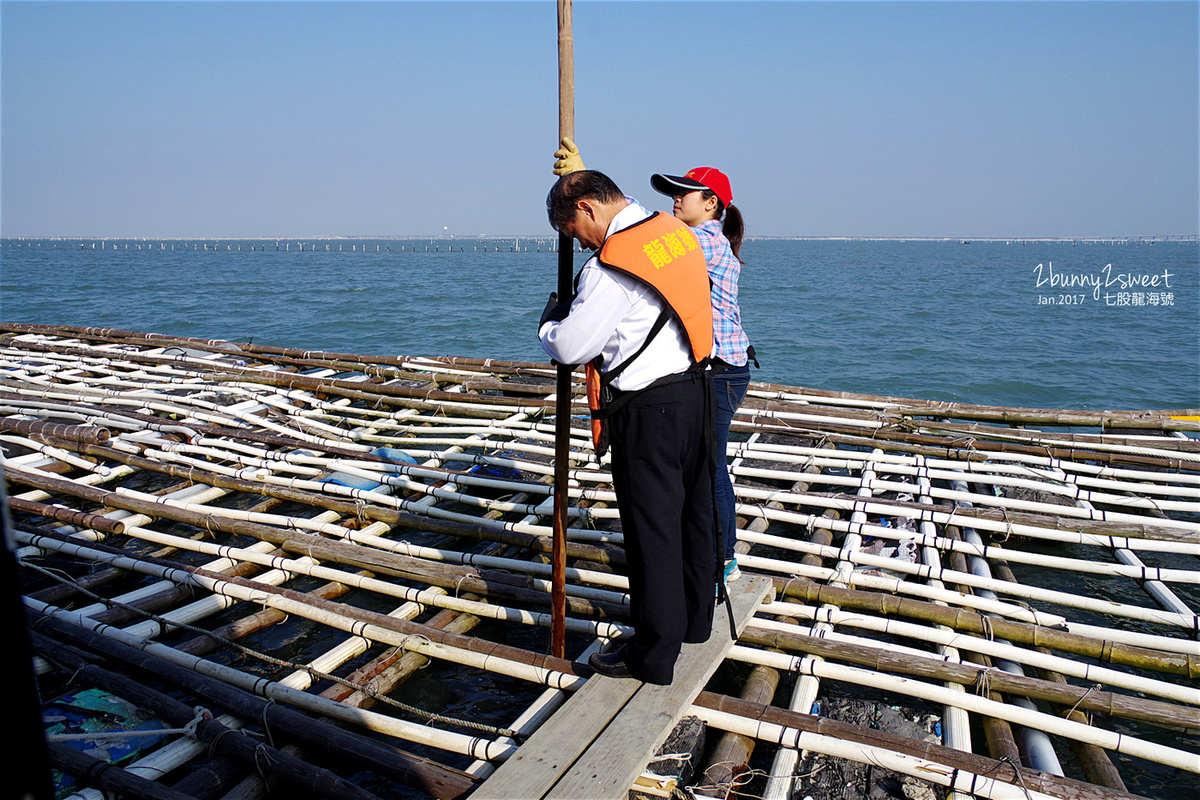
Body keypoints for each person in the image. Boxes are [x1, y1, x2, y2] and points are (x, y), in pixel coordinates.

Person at [538, 167, 717, 686]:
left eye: (574, 231)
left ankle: (654, 655)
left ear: (589, 209)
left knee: (651, 531)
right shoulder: (672, 232)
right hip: (695, 390)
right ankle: (694, 623)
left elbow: (573, 347)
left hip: (650, 408)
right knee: (693, 515)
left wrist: (549, 324)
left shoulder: (610, 266)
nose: (579, 242)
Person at [651, 167, 755, 583]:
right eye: (673, 193)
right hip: (716, 369)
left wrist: (600, 198)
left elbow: (647, 240)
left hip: (721, 373)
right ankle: (707, 547)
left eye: (684, 193)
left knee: (709, 466)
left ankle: (722, 557)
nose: (674, 199)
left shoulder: (703, 240)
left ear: (710, 204)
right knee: (701, 462)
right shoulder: (697, 241)